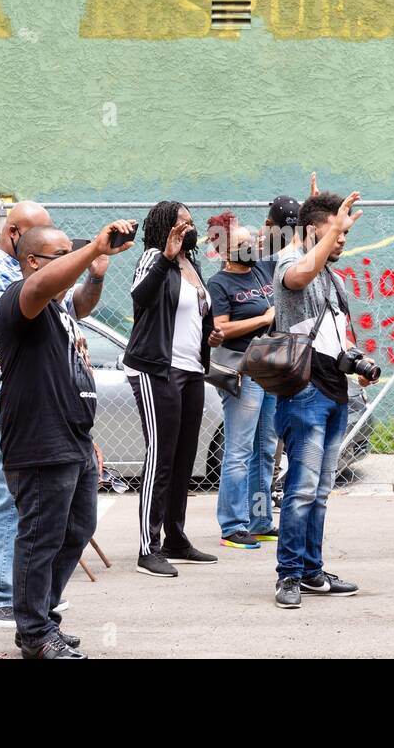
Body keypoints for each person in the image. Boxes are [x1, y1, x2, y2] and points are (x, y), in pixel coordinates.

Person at [0, 201, 110, 627]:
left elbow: (71, 312)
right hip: (22, 411)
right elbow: (22, 321)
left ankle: (37, 601)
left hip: (62, 414)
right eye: (54, 248)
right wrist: (83, 256)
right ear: (16, 237)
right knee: (15, 509)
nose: (66, 258)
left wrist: (94, 275)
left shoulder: (44, 285)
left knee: (69, 524)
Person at [0, 224, 134, 659]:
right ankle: (34, 633)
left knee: (77, 529)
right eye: (61, 254)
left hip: (73, 440)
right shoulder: (21, 300)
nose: (72, 259)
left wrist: (95, 273)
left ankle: (43, 615)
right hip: (40, 443)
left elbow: (83, 303)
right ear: (33, 261)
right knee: (40, 538)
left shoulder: (58, 310)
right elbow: (41, 285)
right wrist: (91, 245)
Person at [272, 190, 377, 609]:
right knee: (300, 489)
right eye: (338, 232)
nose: (343, 240)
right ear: (315, 229)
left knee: (319, 491)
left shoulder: (334, 279)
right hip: (305, 394)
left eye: (346, 233)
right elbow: (297, 277)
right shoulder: (289, 261)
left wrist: (357, 364)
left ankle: (312, 570)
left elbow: (337, 336)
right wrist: (327, 228)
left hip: (335, 392)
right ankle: (289, 575)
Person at [125, 201, 225, 578]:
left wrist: (209, 334)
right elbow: (141, 297)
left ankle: (175, 539)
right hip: (156, 369)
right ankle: (147, 547)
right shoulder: (153, 258)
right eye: (180, 223)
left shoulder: (193, 264)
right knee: (160, 456)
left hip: (191, 369)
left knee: (184, 457)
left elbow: (197, 313)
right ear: (165, 227)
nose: (187, 229)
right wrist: (165, 257)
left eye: (190, 223)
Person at [206, 215, 278, 549]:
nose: (251, 247)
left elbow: (289, 237)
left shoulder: (261, 269)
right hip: (242, 372)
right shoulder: (219, 284)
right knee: (239, 449)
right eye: (242, 244)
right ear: (225, 250)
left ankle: (259, 519)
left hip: (269, 370)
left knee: (264, 449)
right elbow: (220, 329)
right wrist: (262, 318)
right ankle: (233, 525)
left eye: (252, 241)